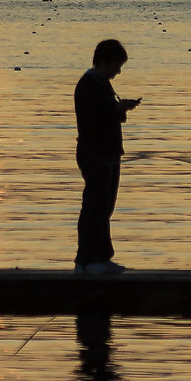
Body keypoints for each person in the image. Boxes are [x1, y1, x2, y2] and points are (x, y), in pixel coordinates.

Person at [73, 38, 140, 274]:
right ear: (104, 62)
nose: (118, 72)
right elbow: (96, 117)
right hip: (96, 152)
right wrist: (118, 109)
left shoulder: (101, 84)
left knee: (103, 206)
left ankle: (94, 258)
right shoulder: (88, 85)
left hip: (107, 151)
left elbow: (107, 114)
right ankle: (90, 260)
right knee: (95, 205)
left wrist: (119, 110)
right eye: (116, 66)